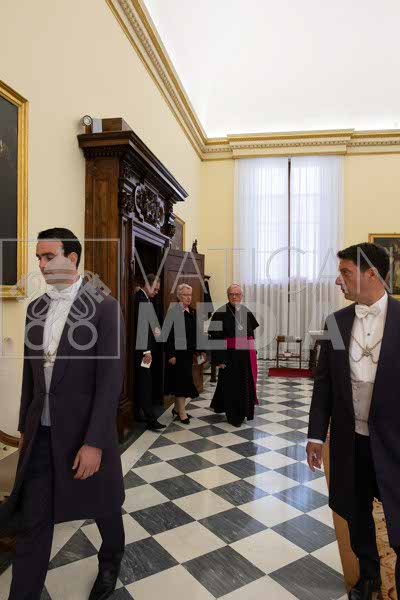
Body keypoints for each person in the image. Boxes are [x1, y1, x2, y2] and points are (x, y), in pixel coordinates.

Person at [4, 227, 126, 600]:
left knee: (105, 507)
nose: (41, 265)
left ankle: (111, 561)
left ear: (72, 258)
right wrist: (25, 427)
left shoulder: (104, 305)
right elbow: (31, 374)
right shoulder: (36, 308)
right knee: (33, 521)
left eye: (48, 256)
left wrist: (95, 442)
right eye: (39, 258)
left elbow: (110, 380)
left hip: (86, 432)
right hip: (41, 433)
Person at [307, 242, 400, 600]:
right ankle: (369, 575)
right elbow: (324, 385)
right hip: (351, 441)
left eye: (345, 272)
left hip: (394, 442)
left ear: (371, 274)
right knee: (356, 513)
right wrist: (316, 436)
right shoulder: (336, 322)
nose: (338, 280)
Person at [209, 284, 259, 427]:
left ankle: (243, 412)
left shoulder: (246, 312)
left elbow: (251, 335)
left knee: (244, 386)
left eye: (237, 294)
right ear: (228, 296)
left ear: (241, 296)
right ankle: (232, 415)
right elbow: (215, 339)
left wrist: (253, 351)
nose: (235, 297)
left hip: (245, 357)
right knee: (230, 386)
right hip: (229, 357)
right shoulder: (220, 313)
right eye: (232, 294)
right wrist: (219, 359)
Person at [165, 283, 205, 424]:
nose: (188, 298)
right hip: (177, 354)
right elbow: (168, 336)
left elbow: (197, 333)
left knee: (183, 381)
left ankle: (177, 409)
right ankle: (182, 412)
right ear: (178, 296)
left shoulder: (192, 311)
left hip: (188, 353)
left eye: (190, 295)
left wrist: (200, 351)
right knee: (181, 382)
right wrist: (171, 355)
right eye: (185, 295)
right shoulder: (173, 312)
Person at [132, 274, 165, 431]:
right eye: (155, 289)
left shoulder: (145, 298)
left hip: (146, 350)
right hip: (144, 352)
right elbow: (142, 328)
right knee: (145, 383)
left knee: (143, 382)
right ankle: (150, 418)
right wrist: (147, 351)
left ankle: (138, 413)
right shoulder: (142, 300)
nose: (157, 292)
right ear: (147, 284)